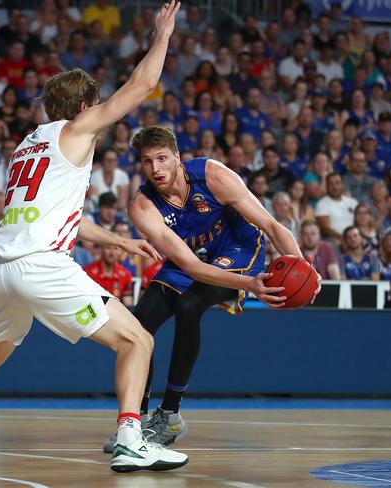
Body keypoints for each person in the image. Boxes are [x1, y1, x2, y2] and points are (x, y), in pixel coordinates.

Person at [0, 2, 189, 473]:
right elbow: (141, 86)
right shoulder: (77, 129)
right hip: (39, 267)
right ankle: (132, 437)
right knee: (137, 340)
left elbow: (54, 216)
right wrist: (162, 36)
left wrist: (117, 241)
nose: (98, 111)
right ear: (81, 107)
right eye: (94, 104)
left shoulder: (27, 145)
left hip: (0, 266)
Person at [102, 126, 319, 453]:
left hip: (239, 249)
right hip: (195, 258)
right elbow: (189, 266)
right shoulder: (143, 206)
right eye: (147, 162)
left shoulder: (214, 175)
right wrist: (249, 287)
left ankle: (170, 414)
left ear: (177, 157)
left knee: (189, 305)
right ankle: (135, 421)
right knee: (139, 324)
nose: (156, 169)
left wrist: (304, 270)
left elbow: (273, 226)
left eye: (162, 159)